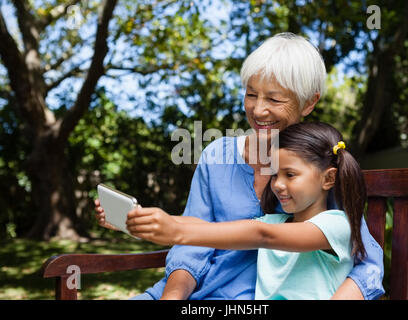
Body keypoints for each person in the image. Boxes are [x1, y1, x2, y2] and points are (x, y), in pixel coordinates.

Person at [95, 32, 384, 300]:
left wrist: (174, 230)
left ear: (308, 103)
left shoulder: (319, 167)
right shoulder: (217, 156)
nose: (258, 110)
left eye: (274, 98)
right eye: (251, 94)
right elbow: (194, 241)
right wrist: (143, 224)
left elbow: (366, 263)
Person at [126, 122, 368, 299]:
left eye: (290, 175)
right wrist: (144, 219)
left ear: (328, 179)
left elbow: (260, 234)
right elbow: (210, 227)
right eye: (275, 174)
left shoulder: (337, 225)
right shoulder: (275, 221)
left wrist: (176, 232)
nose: (278, 185)